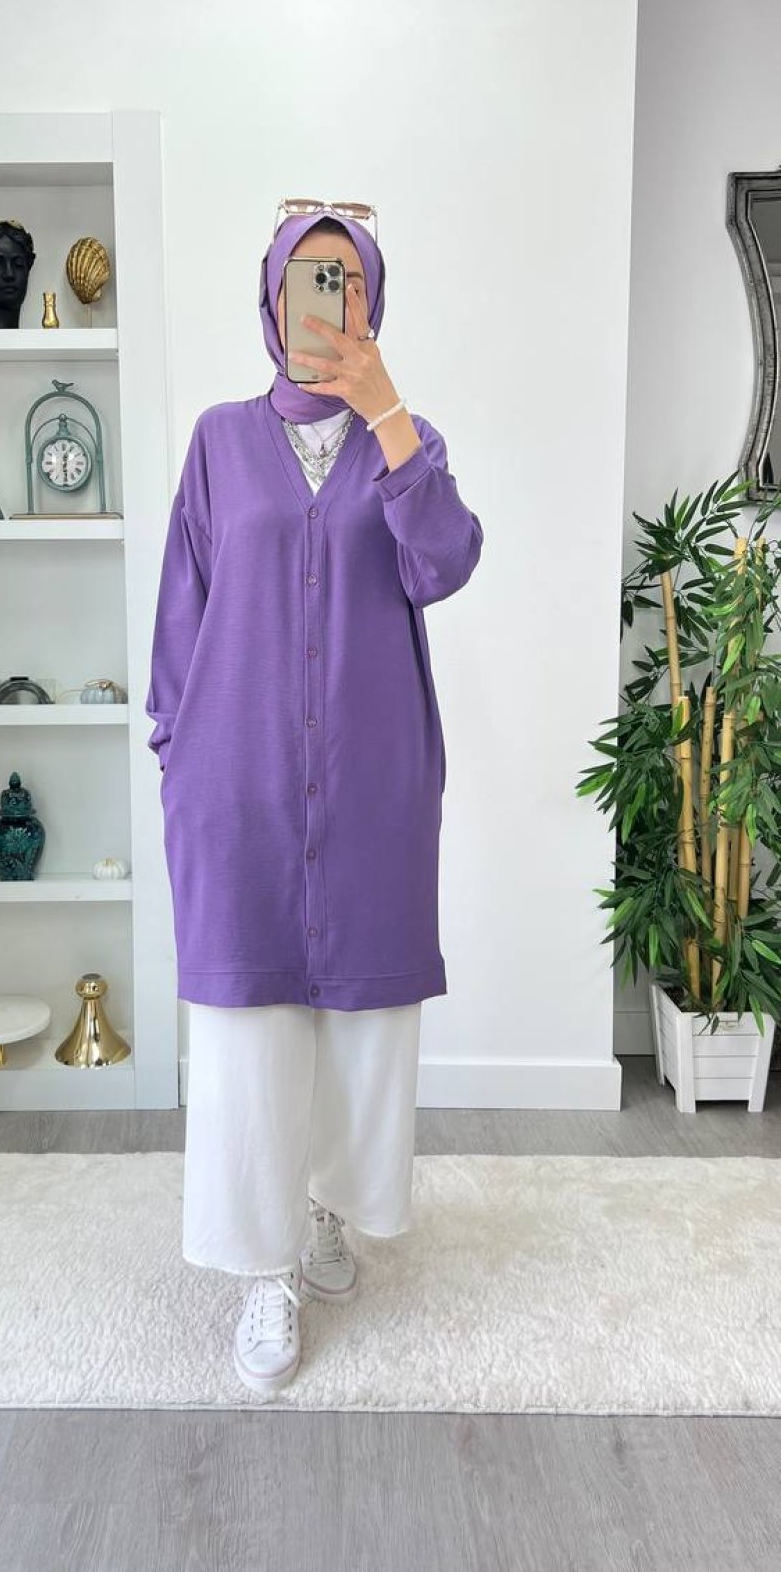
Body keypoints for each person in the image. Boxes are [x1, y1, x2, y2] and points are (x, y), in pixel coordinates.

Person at [146, 200, 484, 1398]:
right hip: (235, 783)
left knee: (360, 1025)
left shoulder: (407, 442)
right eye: (308, 275)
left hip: (370, 783)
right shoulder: (217, 441)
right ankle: (263, 1267)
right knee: (248, 1036)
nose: (325, 300)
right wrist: (175, 746)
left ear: (371, 301)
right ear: (272, 293)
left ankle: (329, 1208)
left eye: (346, 279)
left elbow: (443, 561)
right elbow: (182, 604)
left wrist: (386, 412)